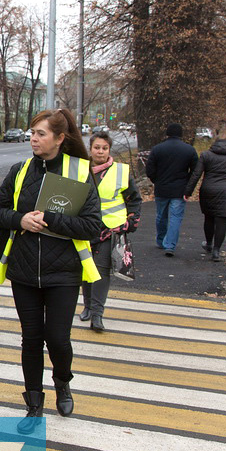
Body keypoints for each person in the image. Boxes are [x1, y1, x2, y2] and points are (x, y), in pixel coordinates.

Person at [0, 108, 103, 434]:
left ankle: (63, 383)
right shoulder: (20, 170)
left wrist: (51, 219)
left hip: (64, 272)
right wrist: (20, 220)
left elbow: (92, 227)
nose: (33, 139)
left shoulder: (79, 172)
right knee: (31, 338)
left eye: (40, 134)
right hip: (24, 269)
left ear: (59, 138)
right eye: (32, 133)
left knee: (57, 338)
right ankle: (34, 403)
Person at [79, 132, 142, 331]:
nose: (100, 151)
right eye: (97, 147)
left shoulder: (121, 171)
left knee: (101, 270)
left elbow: (134, 199)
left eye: (104, 148)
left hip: (111, 228)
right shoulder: (80, 169)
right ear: (90, 149)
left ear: (109, 149)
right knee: (86, 269)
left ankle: (97, 314)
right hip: (84, 227)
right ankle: (87, 306)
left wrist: (132, 220)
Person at [185, 138, 226, 262]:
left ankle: (209, 243)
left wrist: (188, 192)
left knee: (208, 217)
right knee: (221, 220)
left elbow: (196, 174)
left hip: (208, 189)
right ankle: (216, 250)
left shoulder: (206, 155)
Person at [145, 123, 198, 257]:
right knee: (175, 217)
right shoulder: (189, 150)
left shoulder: (157, 149)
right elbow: (195, 171)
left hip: (162, 188)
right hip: (180, 190)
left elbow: (149, 169)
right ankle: (170, 245)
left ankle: (161, 240)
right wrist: (188, 188)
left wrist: (156, 180)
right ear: (181, 135)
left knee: (161, 215)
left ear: (167, 134)